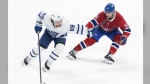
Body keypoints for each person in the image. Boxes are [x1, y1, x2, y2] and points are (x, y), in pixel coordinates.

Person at [22, 11, 88, 72]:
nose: (59, 23)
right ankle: (28, 58)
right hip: (48, 34)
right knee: (39, 48)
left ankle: (48, 63)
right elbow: (39, 14)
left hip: (60, 36)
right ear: (52, 20)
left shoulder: (66, 25)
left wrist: (88, 31)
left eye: (60, 21)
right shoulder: (46, 18)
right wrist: (38, 24)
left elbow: (78, 28)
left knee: (60, 48)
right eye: (57, 22)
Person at [66, 3, 131, 64]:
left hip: (113, 31)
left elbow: (127, 29)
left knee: (119, 39)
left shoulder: (119, 18)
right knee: (91, 40)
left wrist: (124, 37)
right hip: (100, 29)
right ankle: (74, 51)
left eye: (109, 13)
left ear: (113, 12)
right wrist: (86, 29)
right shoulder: (101, 14)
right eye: (106, 12)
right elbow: (93, 22)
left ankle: (110, 55)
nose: (107, 14)